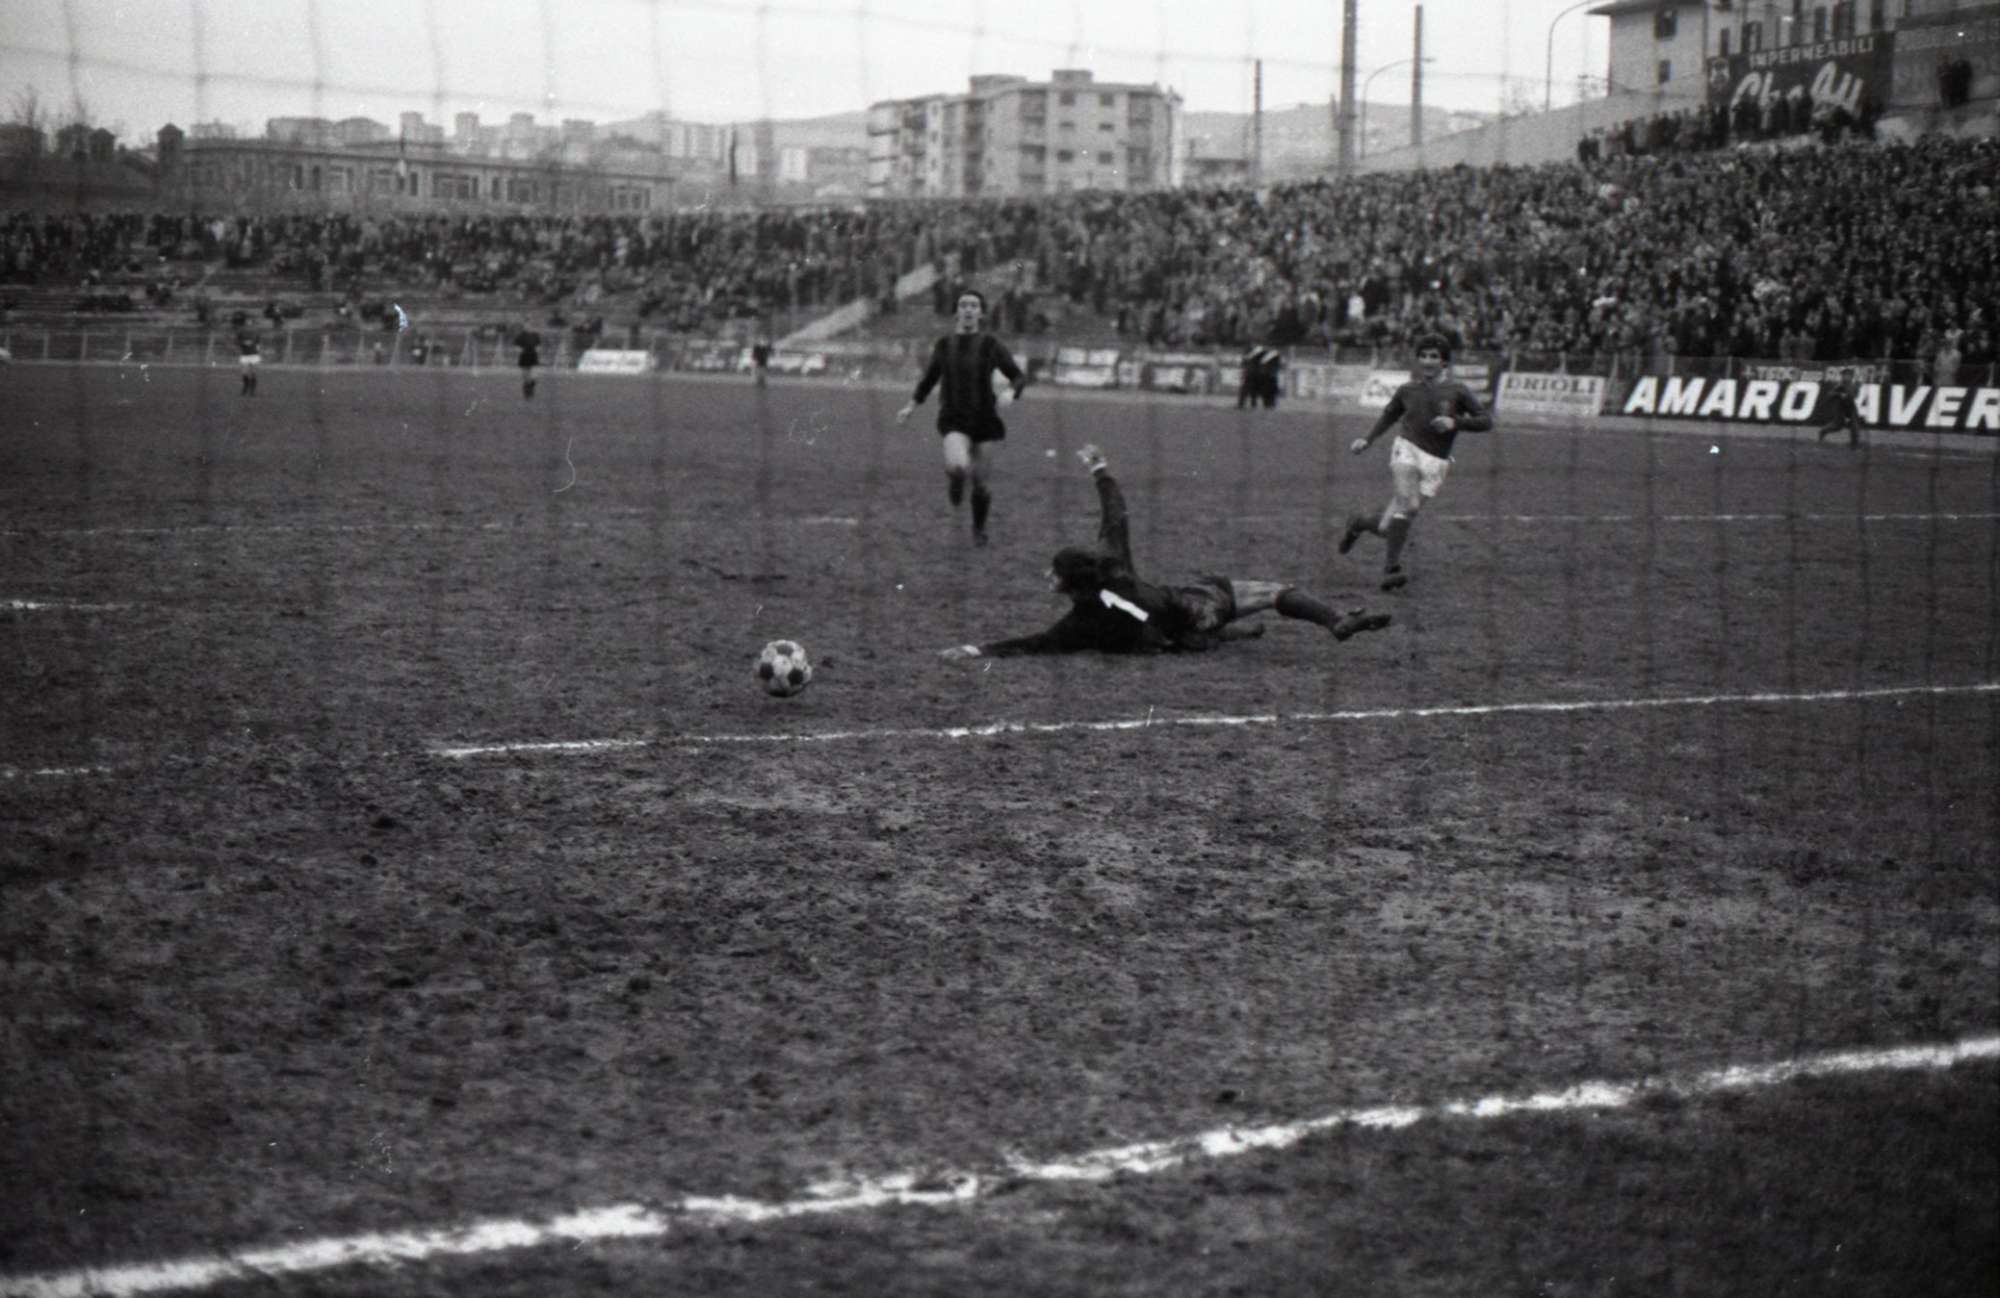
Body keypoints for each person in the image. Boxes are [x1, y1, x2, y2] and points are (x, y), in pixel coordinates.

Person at [939, 445, 1391, 659]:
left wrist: (978, 649)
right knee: (1272, 592)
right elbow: (1117, 516)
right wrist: (1101, 470)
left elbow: (1037, 643)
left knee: (1209, 623)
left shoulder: (1081, 621)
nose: (1046, 576)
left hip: (1183, 629)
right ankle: (1334, 620)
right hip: (1196, 603)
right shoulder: (1114, 568)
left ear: (1070, 582)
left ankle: (1227, 634)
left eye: (1052, 572)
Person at [1338, 334, 1493, 592]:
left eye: (1434, 356)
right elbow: (1388, 416)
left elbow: (1486, 421)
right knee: (1408, 503)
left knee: (1387, 527)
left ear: (1444, 362)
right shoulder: (1407, 390)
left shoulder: (1458, 391)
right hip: (1406, 449)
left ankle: (1359, 522)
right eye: (1423, 356)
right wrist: (1368, 439)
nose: (1428, 361)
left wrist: (1455, 422)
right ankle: (1391, 570)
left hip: (1437, 463)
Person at [896, 289, 1028, 547]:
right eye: (963, 305)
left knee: (981, 485)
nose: (968, 309)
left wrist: (1011, 392)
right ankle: (956, 483)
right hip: (954, 417)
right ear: (957, 312)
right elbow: (929, 379)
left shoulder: (990, 345)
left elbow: (1018, 376)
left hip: (985, 420)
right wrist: (910, 406)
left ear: (981, 313)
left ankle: (979, 529)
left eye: (974, 305)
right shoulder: (944, 345)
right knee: (958, 467)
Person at [1817, 369, 1864, 449]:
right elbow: (1830, 394)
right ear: (1842, 376)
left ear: (1851, 377)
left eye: (1848, 375)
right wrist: (1839, 394)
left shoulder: (1854, 385)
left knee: (1855, 425)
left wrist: (1852, 391)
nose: (1846, 377)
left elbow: (1855, 395)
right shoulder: (1839, 385)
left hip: (1851, 407)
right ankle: (1823, 431)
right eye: (1844, 375)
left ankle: (1854, 444)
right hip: (1841, 408)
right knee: (1837, 425)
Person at [1237, 345, 1282, 409]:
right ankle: (1254, 404)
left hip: (1262, 374)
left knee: (1261, 390)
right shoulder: (1261, 352)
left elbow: (1247, 361)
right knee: (1254, 390)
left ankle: (1265, 404)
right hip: (1258, 374)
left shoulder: (1268, 353)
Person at [513, 325, 540, 399]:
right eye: (527, 325)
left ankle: (530, 387)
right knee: (525, 376)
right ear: (524, 327)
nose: (529, 327)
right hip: (524, 356)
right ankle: (527, 392)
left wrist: (537, 349)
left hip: (533, 356)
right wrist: (519, 349)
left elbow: (538, 344)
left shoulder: (535, 335)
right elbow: (516, 344)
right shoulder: (521, 335)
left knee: (534, 376)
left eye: (530, 325)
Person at [236, 328, 261, 396]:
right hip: (245, 356)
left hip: (254, 355)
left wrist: (257, 350)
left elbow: (258, 344)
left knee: (253, 373)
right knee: (244, 373)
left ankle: (252, 390)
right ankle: (246, 386)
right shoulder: (241, 332)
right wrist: (243, 343)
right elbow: (237, 342)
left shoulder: (256, 333)